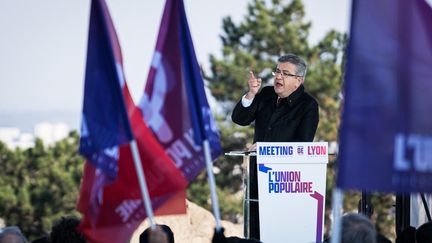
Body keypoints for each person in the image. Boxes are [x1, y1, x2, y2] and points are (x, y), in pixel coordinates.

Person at [231, 53, 319, 239]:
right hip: (257, 175)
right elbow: (240, 119)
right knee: (256, 231)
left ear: (298, 81)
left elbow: (302, 145)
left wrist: (265, 149)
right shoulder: (266, 94)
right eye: (277, 71)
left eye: (285, 73)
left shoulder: (309, 106)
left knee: (278, 234)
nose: (278, 77)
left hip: (285, 182)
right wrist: (251, 94)